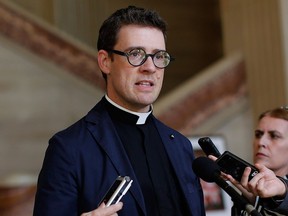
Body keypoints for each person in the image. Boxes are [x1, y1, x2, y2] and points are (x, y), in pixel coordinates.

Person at [33, 5, 205, 216]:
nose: (150, 67)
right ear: (105, 62)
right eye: (136, 54)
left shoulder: (181, 146)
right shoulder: (69, 149)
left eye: (159, 56)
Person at [214, 106, 288, 215]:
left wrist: (282, 190)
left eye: (274, 136)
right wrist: (253, 201)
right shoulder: (248, 192)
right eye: (258, 135)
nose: (261, 142)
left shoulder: (282, 191)